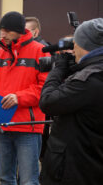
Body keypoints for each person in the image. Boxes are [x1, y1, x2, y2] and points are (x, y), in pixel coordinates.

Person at [0, 12, 49, 185]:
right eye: (1, 30)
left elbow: (45, 88)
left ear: (19, 31)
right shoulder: (1, 54)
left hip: (28, 127)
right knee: (6, 179)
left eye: (6, 31)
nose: (2, 35)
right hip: (2, 124)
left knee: (28, 181)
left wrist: (18, 97)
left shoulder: (40, 51)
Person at [39, 18, 103, 185]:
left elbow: (47, 102)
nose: (73, 48)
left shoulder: (88, 81)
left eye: (75, 43)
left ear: (84, 46)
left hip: (74, 169)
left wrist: (58, 69)